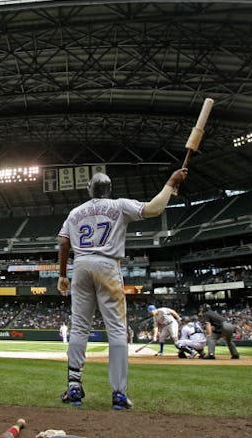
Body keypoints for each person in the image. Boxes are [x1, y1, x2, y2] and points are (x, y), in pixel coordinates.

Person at [58, 168, 187, 410]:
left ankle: (74, 386)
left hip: (82, 265)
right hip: (107, 264)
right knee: (116, 329)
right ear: (109, 190)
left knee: (79, 328)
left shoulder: (75, 212)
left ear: (90, 191)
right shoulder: (118, 205)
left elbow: (64, 242)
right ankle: (118, 394)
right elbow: (153, 209)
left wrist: (62, 274)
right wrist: (170, 183)